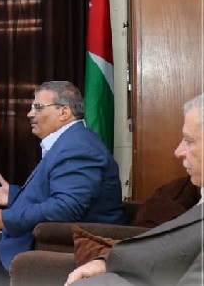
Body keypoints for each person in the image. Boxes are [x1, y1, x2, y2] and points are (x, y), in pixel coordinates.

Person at [0, 81, 125, 286]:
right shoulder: (72, 140)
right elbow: (58, 193)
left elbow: (66, 207)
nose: (30, 114)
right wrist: (13, 195)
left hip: (66, 242)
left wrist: (5, 219)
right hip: (45, 235)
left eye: (38, 107)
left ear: (64, 112)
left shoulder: (78, 147)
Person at [65, 94, 204, 286]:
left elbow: (67, 206)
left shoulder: (81, 146)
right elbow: (176, 245)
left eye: (189, 141)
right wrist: (106, 262)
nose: (178, 151)